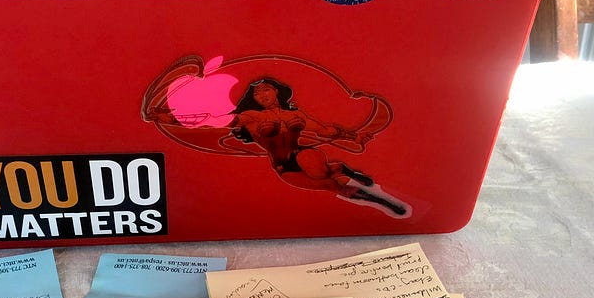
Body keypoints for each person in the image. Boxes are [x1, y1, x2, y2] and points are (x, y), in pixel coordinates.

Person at [149, 74, 411, 218]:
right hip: (284, 167)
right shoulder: (250, 118)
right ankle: (345, 171)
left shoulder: (296, 117)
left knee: (312, 159)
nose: (262, 95)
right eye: (256, 93)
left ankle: (380, 200)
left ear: (277, 91)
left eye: (266, 89)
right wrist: (170, 117)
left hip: (304, 155)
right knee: (327, 183)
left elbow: (326, 130)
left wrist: (355, 137)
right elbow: (209, 120)